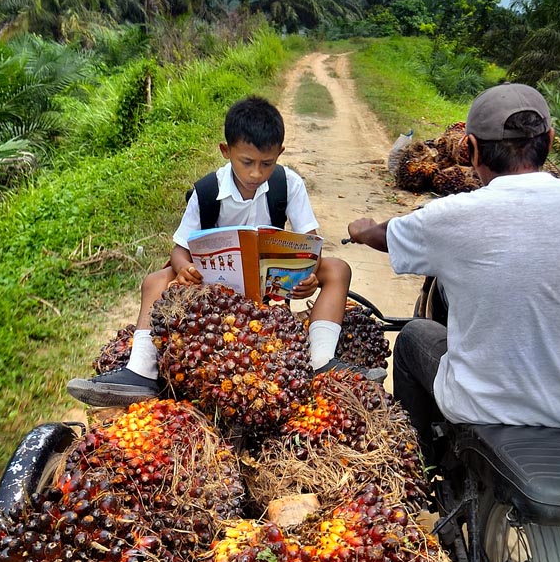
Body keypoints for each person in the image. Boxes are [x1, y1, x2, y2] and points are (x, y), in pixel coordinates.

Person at [347, 83, 560, 448]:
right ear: (549, 141)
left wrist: (361, 231)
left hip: (483, 406)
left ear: (471, 149)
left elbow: (387, 236)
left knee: (412, 340)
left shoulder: (453, 215)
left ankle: (416, 457)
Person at [67, 96, 382, 407]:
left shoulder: (290, 185)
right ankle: (141, 373)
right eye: (247, 162)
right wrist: (184, 269)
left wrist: (309, 276)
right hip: (210, 290)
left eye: (267, 163)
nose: (256, 173)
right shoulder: (206, 191)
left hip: (266, 289)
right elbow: (179, 251)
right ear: (226, 151)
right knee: (154, 280)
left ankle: (321, 361)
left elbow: (309, 245)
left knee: (337, 268)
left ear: (280, 154)